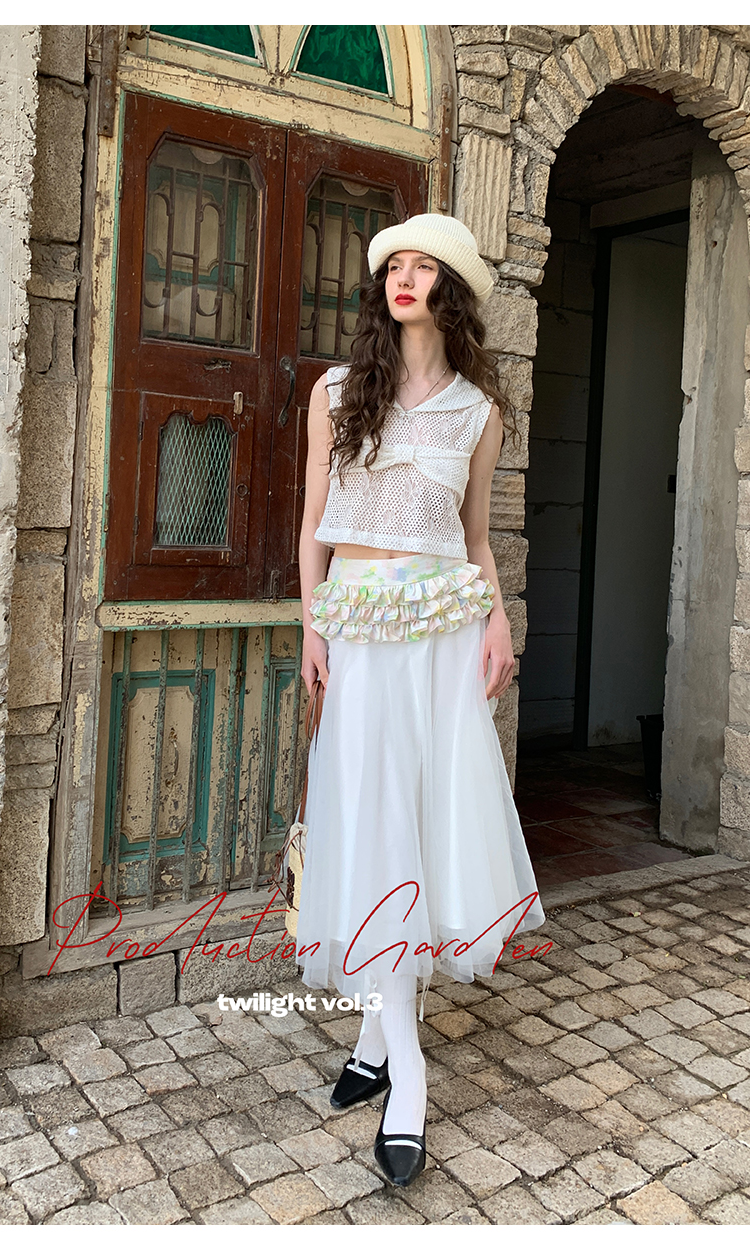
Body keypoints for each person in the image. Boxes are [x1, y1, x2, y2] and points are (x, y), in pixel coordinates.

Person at [296, 213, 545, 1188]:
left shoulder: (480, 412)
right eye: (392, 265)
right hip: (358, 630)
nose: (404, 277)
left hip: (441, 632)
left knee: (417, 826)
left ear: (451, 290)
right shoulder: (334, 392)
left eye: (423, 266)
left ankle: (382, 1055)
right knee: (373, 824)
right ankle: (406, 1066)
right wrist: (311, 626)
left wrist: (498, 621)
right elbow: (313, 526)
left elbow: (477, 537)